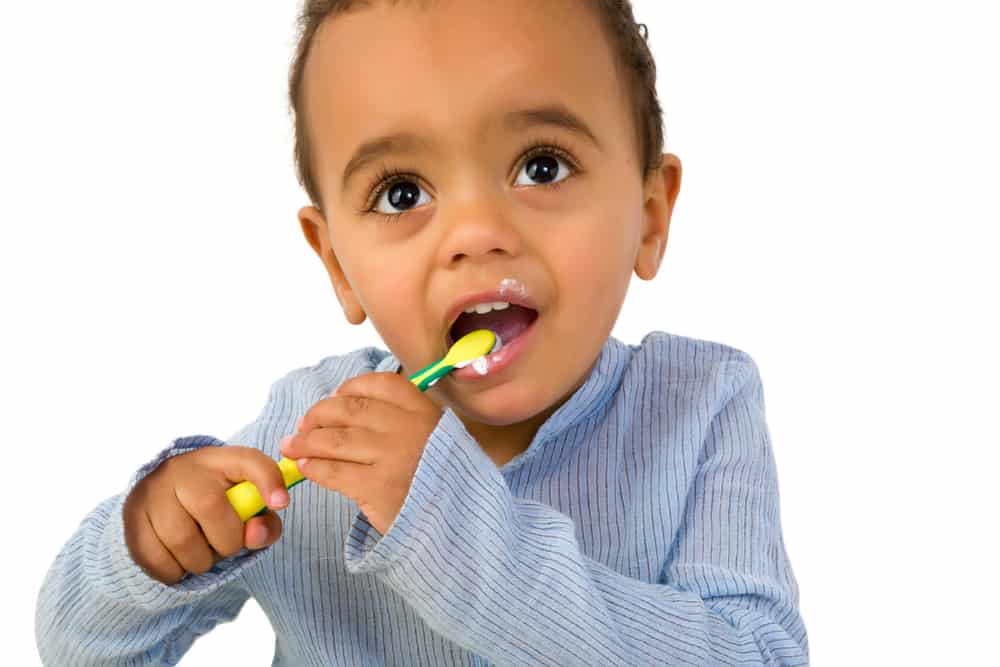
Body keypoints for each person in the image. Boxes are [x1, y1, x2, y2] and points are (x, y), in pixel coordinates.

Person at [35, 0, 809, 664]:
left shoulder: (701, 407)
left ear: (649, 215)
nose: (476, 233)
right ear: (337, 262)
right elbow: (76, 645)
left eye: (541, 166)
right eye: (402, 191)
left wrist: (450, 519)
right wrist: (148, 547)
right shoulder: (313, 427)